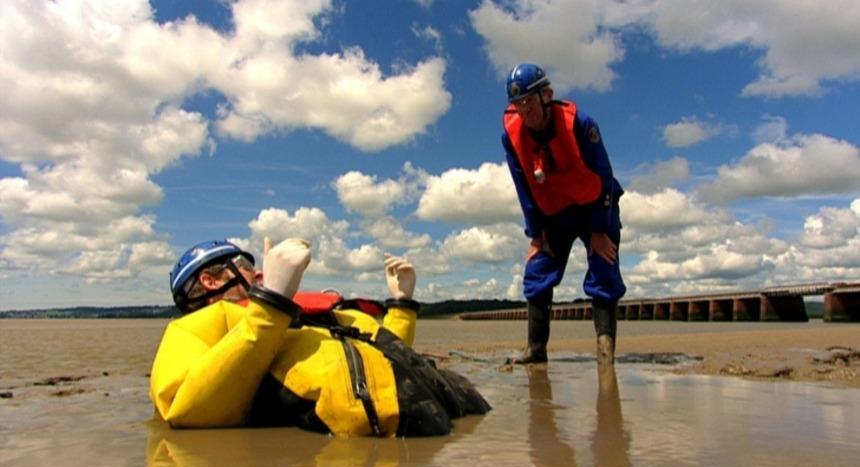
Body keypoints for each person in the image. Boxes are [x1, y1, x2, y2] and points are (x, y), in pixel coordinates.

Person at [149, 238, 490, 436]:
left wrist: (401, 306)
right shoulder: (196, 329)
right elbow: (185, 408)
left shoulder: (300, 314)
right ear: (211, 280)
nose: (257, 271)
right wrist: (271, 305)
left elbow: (383, 359)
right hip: (375, 433)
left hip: (449, 409)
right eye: (243, 263)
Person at [501, 63, 626, 365]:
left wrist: (599, 229)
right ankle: (535, 350)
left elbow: (604, 176)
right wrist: (535, 234)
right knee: (537, 271)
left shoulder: (581, 124)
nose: (525, 110)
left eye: (530, 101)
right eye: (518, 104)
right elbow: (524, 189)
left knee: (603, 268)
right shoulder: (511, 136)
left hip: (596, 206)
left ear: (548, 95)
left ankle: (605, 354)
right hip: (554, 214)